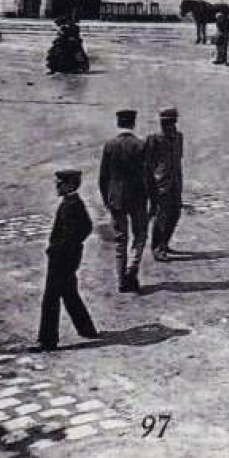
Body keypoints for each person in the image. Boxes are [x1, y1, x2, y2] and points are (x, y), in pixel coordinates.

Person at [37, 169, 99, 351]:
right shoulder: (73, 202)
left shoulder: (71, 205)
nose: (56, 186)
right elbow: (86, 227)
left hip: (61, 259)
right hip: (68, 256)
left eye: (60, 183)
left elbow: (78, 231)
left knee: (51, 298)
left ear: (70, 185)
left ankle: (48, 341)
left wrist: (58, 249)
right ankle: (87, 329)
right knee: (70, 293)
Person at [99, 109, 149, 292]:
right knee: (140, 234)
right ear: (133, 124)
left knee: (120, 240)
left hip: (116, 199)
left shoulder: (110, 145)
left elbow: (103, 177)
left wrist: (107, 199)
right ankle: (132, 269)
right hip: (137, 198)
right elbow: (148, 175)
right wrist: (151, 198)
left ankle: (121, 280)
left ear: (118, 123)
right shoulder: (140, 145)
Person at [144, 107, 185, 261]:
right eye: (163, 122)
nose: (166, 124)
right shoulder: (154, 138)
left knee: (175, 214)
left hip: (175, 182)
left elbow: (178, 159)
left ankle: (165, 242)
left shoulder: (179, 137)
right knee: (161, 215)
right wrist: (150, 186)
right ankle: (157, 248)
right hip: (159, 183)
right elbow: (148, 164)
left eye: (169, 121)